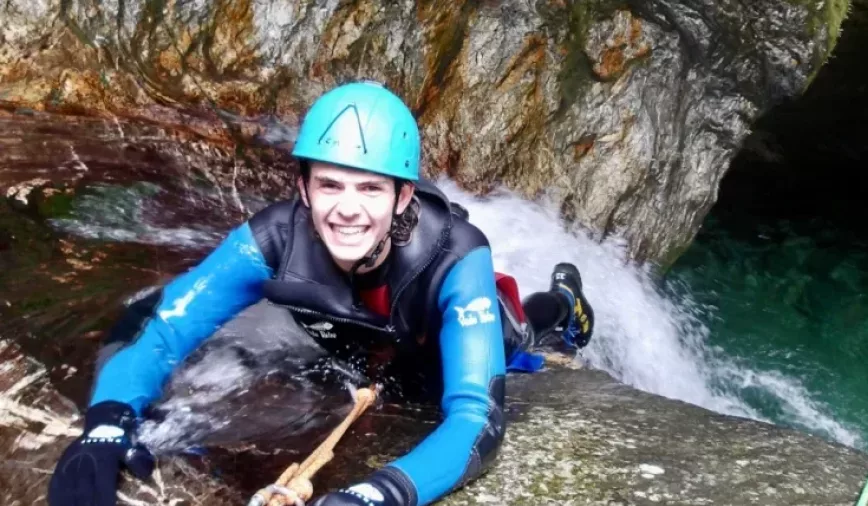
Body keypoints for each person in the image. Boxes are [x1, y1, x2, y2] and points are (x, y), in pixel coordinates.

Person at [47, 80, 595, 506]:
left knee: (518, 333)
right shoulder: (273, 238)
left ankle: (565, 303)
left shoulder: (455, 256)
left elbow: (476, 419)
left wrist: (379, 492)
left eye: (370, 189)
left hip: (435, 340)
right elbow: (161, 325)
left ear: (404, 196)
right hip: (367, 345)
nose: (348, 209)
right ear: (303, 186)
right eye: (330, 184)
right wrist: (105, 426)